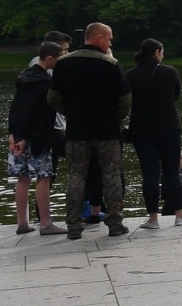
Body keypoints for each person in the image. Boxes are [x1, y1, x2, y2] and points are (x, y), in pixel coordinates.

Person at [47, 22, 131, 239]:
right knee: (111, 175)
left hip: (76, 131)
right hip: (108, 131)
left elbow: (52, 98)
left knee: (76, 176)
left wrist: (71, 112)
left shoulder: (64, 64)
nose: (111, 43)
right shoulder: (111, 64)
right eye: (110, 39)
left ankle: (74, 227)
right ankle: (115, 224)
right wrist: (116, 116)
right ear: (100, 38)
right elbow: (125, 100)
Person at [126, 38, 182, 230]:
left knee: (150, 174)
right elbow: (176, 96)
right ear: (157, 52)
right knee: (171, 173)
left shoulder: (130, 75)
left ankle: (153, 218)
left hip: (141, 130)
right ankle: (179, 215)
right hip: (169, 128)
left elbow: (125, 101)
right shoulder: (170, 72)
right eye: (162, 52)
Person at [8, 41, 65, 235]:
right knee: (44, 177)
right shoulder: (45, 83)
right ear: (49, 58)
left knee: (23, 178)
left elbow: (16, 109)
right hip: (37, 137)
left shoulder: (24, 78)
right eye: (59, 58)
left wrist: (13, 135)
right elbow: (39, 114)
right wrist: (27, 139)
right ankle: (46, 223)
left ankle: (22, 223)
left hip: (17, 135)